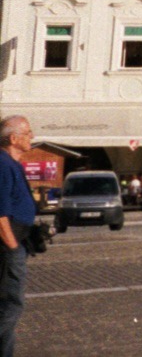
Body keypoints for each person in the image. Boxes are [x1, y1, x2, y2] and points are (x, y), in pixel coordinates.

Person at [0, 116, 37, 357]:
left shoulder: (11, 163)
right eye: (28, 133)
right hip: (7, 247)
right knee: (11, 305)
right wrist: (13, 247)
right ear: (14, 138)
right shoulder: (3, 165)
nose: (32, 137)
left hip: (16, 241)